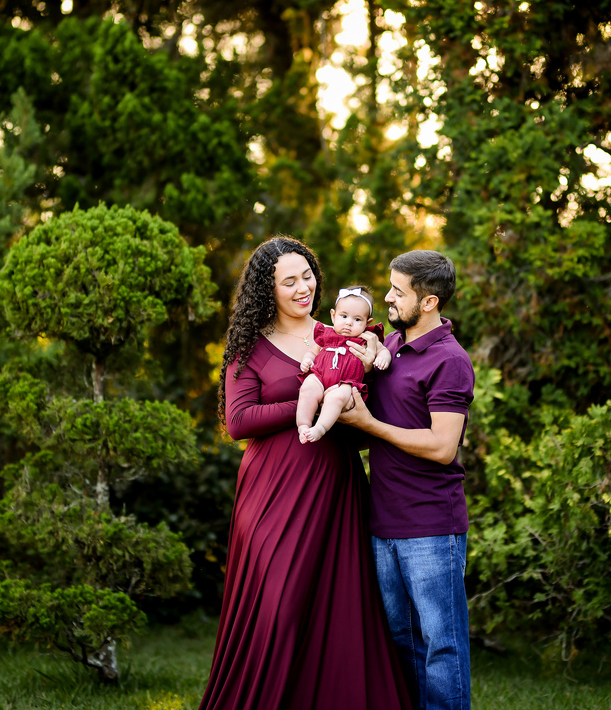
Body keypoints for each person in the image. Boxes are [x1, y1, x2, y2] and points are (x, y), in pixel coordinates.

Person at [198, 236, 411, 710]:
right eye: (288, 281)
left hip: (336, 489)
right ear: (266, 290)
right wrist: (309, 398)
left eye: (308, 276)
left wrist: (356, 393)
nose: (302, 288)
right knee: (278, 607)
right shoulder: (249, 346)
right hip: (272, 493)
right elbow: (238, 421)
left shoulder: (343, 334)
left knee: (340, 612)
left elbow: (363, 423)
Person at [339, 250, 476, 710]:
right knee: (402, 642)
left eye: (398, 292)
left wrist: (369, 425)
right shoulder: (390, 346)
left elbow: (442, 446)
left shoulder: (450, 360)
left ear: (429, 301)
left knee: (442, 646)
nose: (387, 298)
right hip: (384, 524)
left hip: (431, 526)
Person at [296, 286, 391, 443]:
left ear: (367, 322)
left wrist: (383, 358)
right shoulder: (327, 334)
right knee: (307, 388)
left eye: (357, 319)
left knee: (337, 398)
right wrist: (307, 360)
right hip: (320, 375)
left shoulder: (365, 338)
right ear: (333, 316)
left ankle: (320, 427)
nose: (348, 323)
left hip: (346, 383)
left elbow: (383, 351)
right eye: (344, 316)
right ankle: (303, 425)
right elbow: (312, 351)